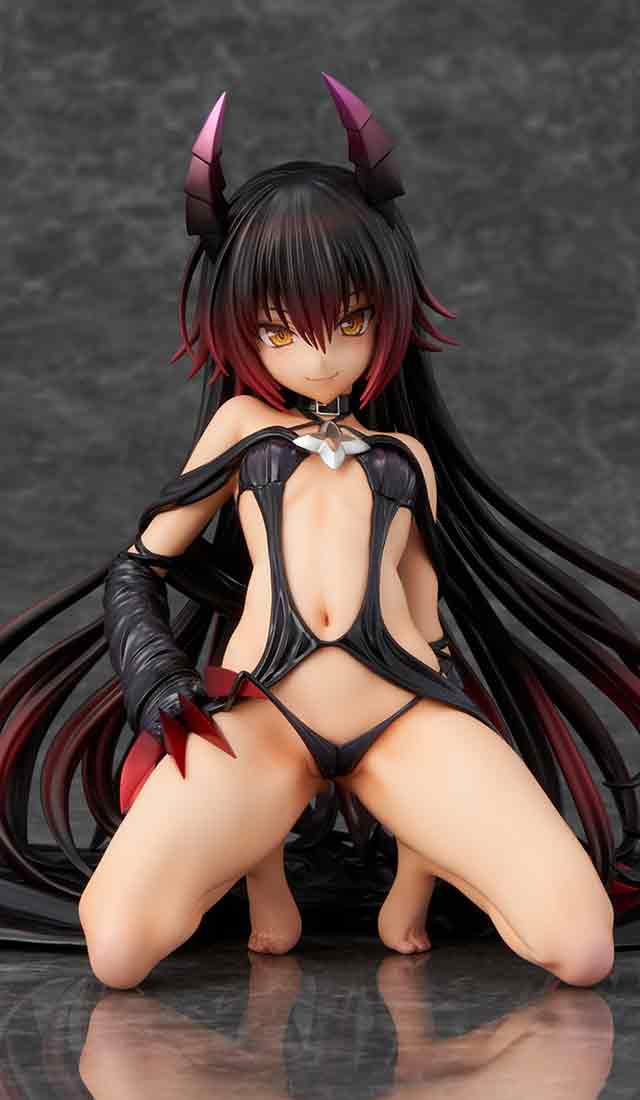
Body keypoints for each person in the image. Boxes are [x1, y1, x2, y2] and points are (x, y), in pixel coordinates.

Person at [2, 74, 639, 986]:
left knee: (580, 947)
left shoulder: (405, 458)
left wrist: (412, 881)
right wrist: (157, 680)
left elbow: (427, 626)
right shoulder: (242, 431)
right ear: (242, 328)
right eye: (279, 330)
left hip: (404, 715)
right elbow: (138, 567)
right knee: (119, 949)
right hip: (264, 718)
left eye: (350, 321)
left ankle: (397, 862)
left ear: (387, 311)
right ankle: (264, 871)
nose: (319, 353)